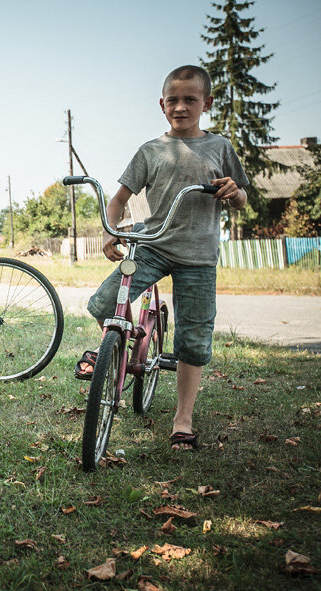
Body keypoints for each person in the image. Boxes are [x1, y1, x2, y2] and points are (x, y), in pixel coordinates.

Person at [75, 65, 249, 451]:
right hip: (153, 244)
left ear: (207, 102)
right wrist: (110, 229)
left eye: (190, 99)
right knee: (104, 302)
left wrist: (234, 193)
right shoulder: (151, 150)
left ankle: (182, 420)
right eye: (174, 100)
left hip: (198, 256)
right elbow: (119, 199)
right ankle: (123, 339)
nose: (181, 107)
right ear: (162, 104)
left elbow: (242, 199)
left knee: (193, 339)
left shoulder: (220, 148)